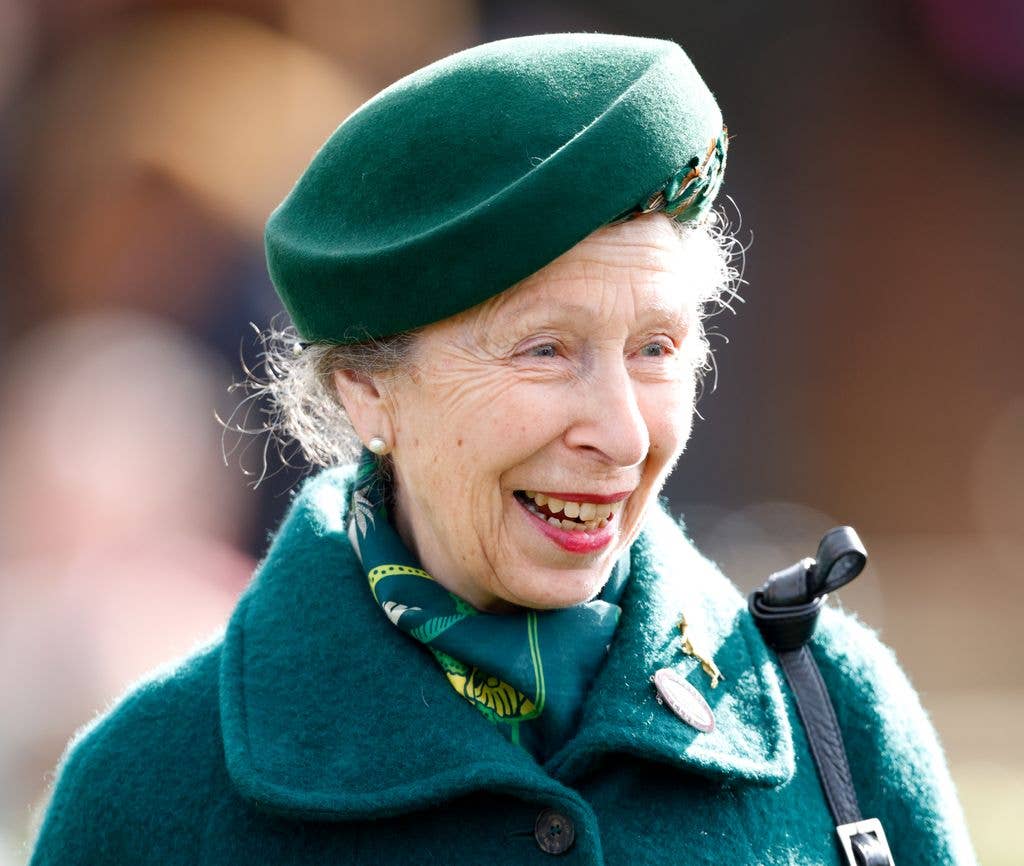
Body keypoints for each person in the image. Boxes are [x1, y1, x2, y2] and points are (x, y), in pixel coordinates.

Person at [29, 33, 976, 865]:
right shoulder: (154, 787)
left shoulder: (838, 719)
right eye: (546, 350)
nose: (623, 433)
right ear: (367, 386)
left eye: (656, 348)